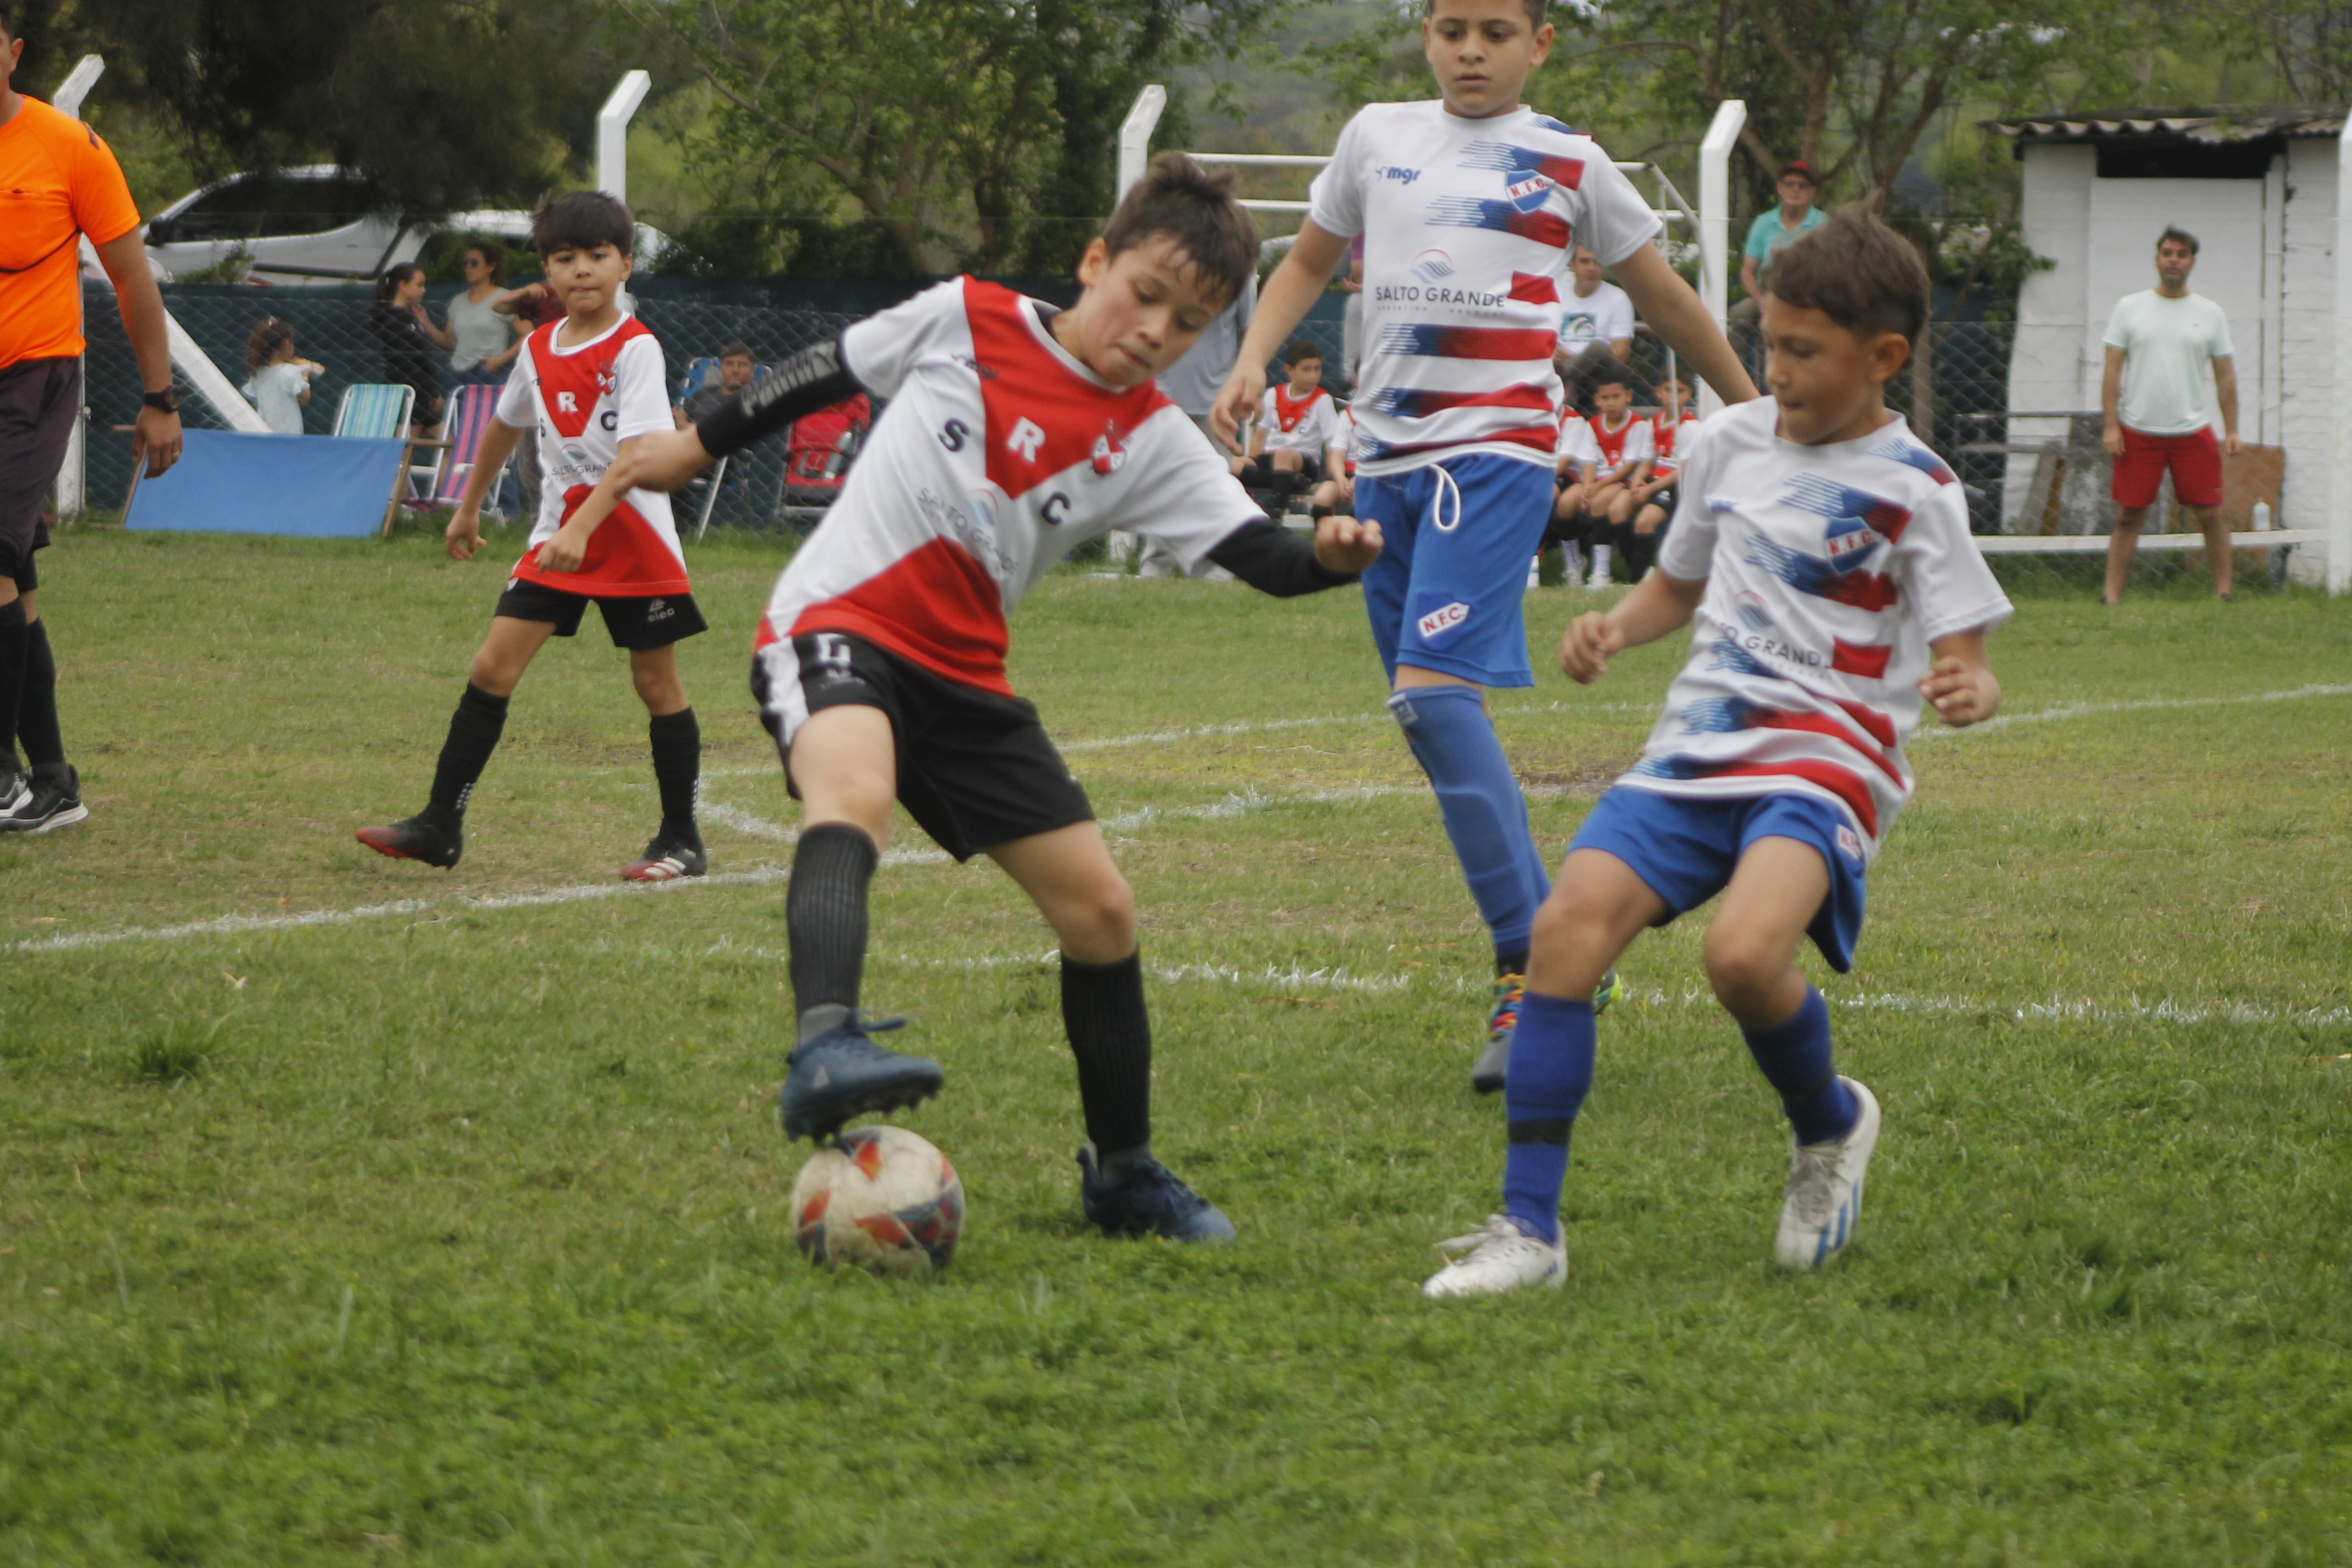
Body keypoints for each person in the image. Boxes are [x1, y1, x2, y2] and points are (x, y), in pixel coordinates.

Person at [580, 154, 1385, 1242]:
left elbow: (1265, 558)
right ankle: (826, 1041)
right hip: (837, 624)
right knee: (852, 791)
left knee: (1100, 910)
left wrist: (1330, 556)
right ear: (1094, 262)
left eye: (1189, 323)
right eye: (1143, 294)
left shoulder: (1153, 439)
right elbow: (824, 370)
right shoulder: (969, 314)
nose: (1156, 330)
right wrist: (687, 446)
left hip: (966, 680)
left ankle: (1126, 1172)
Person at [1420, 210, 2012, 1298]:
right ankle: (1531, 1228)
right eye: (1771, 341)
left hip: (1826, 757)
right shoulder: (1725, 445)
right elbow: (1679, 581)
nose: (1775, 370)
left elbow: (1966, 646)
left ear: (1884, 357)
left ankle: (1830, 1126)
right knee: (1562, 933)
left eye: (1803, 350)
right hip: (1697, 746)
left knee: (1741, 956)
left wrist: (1970, 681)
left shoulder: (1918, 487)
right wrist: (1618, 627)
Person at [1211, 0, 1757, 1095]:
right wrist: (1254, 358)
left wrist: (1755, 417)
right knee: (1431, 711)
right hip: (1384, 464)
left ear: (1540, 44)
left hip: (1494, 457)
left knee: (1429, 698)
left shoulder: (1572, 161)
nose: (1472, 49)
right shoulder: (1375, 136)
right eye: (1452, 27)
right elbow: (1309, 262)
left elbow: (1666, 299)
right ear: (1425, 35)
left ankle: (1537, 956)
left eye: (1496, 31)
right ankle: (1555, 945)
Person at [353, 192, 707, 884]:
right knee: (492, 667)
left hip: (633, 539)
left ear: (625, 264)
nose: (583, 271)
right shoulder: (541, 346)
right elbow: (504, 425)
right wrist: (468, 507)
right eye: (566, 259)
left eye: (598, 257)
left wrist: (582, 523)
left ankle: (682, 839)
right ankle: (439, 824)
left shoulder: (637, 348)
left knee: (655, 681)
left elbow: (637, 456)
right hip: (557, 539)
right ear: (547, 272)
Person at [0, 3, 181, 833]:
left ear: (13, 52)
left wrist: (159, 398)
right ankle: (53, 784)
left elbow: (133, 279)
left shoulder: (70, 146)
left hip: (32, 382)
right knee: (17, 587)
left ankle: (2, 779)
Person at [2100, 226, 2241, 603]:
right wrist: (2111, 425)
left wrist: (2231, 429)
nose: (2173, 260)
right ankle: (2111, 596)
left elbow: (2225, 375)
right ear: (2157, 259)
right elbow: (2112, 369)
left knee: (2211, 514)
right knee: (2129, 516)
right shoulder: (2130, 308)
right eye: (2167, 253)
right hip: (2137, 431)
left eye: (2181, 254)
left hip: (2192, 430)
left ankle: (2224, 593)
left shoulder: (2210, 314)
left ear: (2192, 262)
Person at [1142, 257, 1257, 578]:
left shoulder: (1240, 273)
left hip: (1217, 403)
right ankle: (1156, 567)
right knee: (1159, 486)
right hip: (1162, 396)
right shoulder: (1167, 262)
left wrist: (1244, 386)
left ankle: (1217, 569)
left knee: (1216, 489)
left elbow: (1250, 333)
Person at [1233, 340, 1343, 502]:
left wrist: (1330, 477)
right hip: (1271, 459)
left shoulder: (1322, 400)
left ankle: (1277, 510)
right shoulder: (1273, 394)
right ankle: (1289, 482)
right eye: (1306, 370)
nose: (1313, 376)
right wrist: (1252, 462)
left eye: (1317, 369)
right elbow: (1259, 436)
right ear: (1289, 370)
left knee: (1284, 455)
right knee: (1233, 464)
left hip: (1303, 462)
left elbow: (1331, 443)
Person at [1575, 365, 1653, 587]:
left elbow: (1628, 468)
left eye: (1616, 397)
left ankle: (1601, 571)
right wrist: (1588, 485)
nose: (1611, 403)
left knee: (1599, 503)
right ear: (1597, 400)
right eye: (1605, 398)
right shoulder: (1592, 425)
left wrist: (1596, 489)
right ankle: (1575, 565)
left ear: (1628, 396)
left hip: (1622, 482)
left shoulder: (1638, 425)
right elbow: (1588, 461)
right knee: (1567, 503)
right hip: (1600, 481)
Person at [1618, 369, 1698, 580]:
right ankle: (1629, 565)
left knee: (1645, 521)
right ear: (1658, 393)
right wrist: (1637, 482)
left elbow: (1683, 469)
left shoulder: (1690, 427)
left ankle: (1639, 577)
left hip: (1672, 484)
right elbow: (1647, 461)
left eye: (1680, 391)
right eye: (1669, 390)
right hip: (1652, 480)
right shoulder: (1653, 423)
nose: (1673, 396)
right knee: (1617, 509)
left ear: (1689, 395)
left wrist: (1650, 489)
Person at [367, 262, 450, 434]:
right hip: (405, 392)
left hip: (422, 391)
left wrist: (433, 390)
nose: (423, 290)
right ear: (403, 286)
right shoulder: (391, 319)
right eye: (419, 285)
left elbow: (422, 357)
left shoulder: (411, 317)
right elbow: (406, 361)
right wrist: (431, 393)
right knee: (406, 446)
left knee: (446, 442)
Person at [1553, 244, 1635, 415]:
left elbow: (1620, 353)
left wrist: (1575, 360)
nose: (1592, 268)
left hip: (1597, 374)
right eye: (1585, 262)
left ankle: (1571, 386)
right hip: (1557, 368)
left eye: (1597, 263)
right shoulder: (1557, 293)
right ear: (1572, 264)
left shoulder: (1618, 298)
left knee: (1599, 349)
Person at [1738, 160, 1827, 309]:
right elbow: (1747, 271)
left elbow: (1832, 271)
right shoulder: (1763, 222)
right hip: (1768, 297)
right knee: (1741, 313)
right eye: (1790, 184)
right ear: (1780, 188)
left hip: (1810, 302)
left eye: (1803, 185)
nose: (1796, 189)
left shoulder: (1824, 224)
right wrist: (1760, 300)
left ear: (1812, 192)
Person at [444, 239, 524, 387]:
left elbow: (529, 334)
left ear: (491, 267)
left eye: (474, 263)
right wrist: (424, 321)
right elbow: (449, 342)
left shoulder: (505, 298)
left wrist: (501, 359)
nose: (468, 267)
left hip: (489, 372)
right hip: (459, 373)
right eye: (465, 263)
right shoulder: (458, 301)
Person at [241, 317, 321, 435]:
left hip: (263, 431)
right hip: (289, 434)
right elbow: (304, 399)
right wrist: (305, 373)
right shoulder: (290, 371)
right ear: (286, 344)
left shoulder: (258, 372)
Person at [676, 341, 758, 428]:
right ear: (722, 367)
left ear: (752, 369)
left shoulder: (751, 400)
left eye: (742, 365)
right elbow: (680, 414)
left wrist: (683, 424)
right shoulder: (706, 391)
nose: (735, 370)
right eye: (729, 364)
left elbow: (717, 435)